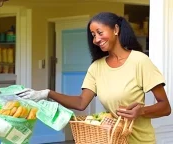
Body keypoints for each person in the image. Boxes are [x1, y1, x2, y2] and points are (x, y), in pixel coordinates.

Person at [18, 12, 171, 144]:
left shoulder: (140, 61)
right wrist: (47, 93)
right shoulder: (96, 67)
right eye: (93, 35)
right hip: (112, 140)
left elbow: (165, 107)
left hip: (141, 141)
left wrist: (141, 111)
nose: (96, 39)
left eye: (100, 32)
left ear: (116, 29)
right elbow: (80, 102)